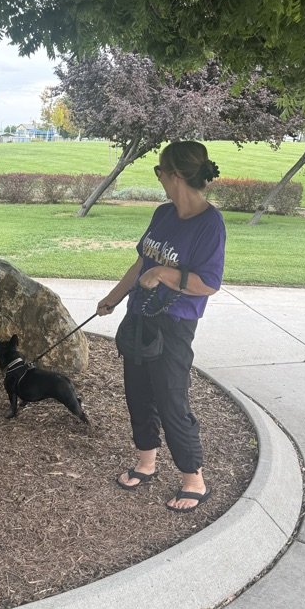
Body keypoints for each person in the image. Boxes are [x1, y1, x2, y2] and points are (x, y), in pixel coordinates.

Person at [96, 141, 225, 512]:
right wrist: (114, 297)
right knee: (137, 393)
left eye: (160, 171)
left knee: (171, 400)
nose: (159, 178)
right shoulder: (162, 214)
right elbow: (141, 264)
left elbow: (209, 284)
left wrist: (165, 274)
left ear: (177, 175)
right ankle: (146, 463)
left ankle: (193, 480)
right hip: (139, 316)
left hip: (174, 326)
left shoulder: (209, 224)